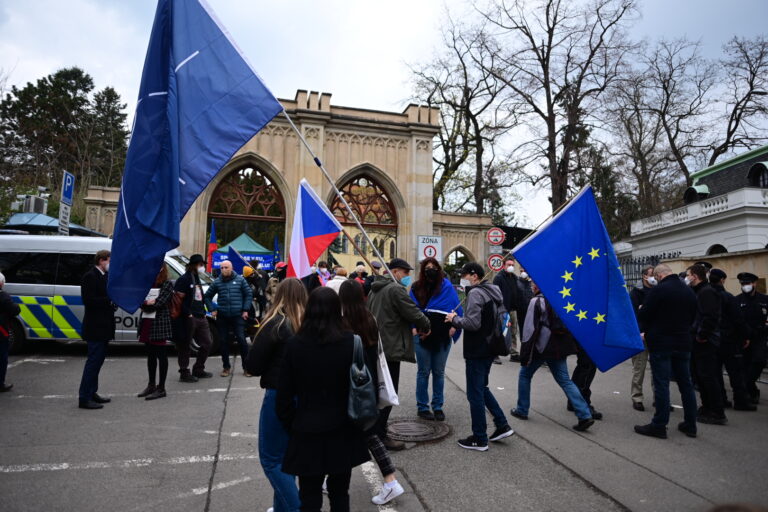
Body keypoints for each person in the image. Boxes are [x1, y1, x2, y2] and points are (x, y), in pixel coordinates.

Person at [276, 287, 371, 512]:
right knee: (340, 492)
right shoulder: (351, 343)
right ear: (337, 311)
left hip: (306, 427)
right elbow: (366, 386)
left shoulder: (294, 345)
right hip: (343, 426)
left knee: (308, 493)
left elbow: (283, 396)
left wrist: (291, 423)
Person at [339, 280, 405, 506]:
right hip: (369, 385)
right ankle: (389, 481)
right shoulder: (369, 318)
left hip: (352, 387)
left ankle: (390, 482)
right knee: (366, 433)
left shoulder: (343, 323)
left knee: (360, 434)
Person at [245, 278, 307, 512]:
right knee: (287, 459)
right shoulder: (309, 324)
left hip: (279, 395)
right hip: (306, 398)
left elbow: (254, 365)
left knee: (272, 460)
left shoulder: (277, 323)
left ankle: (296, 508)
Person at [445, 262, 514, 451]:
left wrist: (454, 320)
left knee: (474, 393)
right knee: (482, 388)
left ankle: (479, 438)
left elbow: (473, 323)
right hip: (491, 346)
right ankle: (501, 424)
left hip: (477, 349)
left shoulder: (476, 293)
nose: (463, 279)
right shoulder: (493, 290)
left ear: (474, 276)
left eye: (465, 275)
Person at [510, 281, 595, 431]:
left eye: (533, 283)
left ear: (537, 285)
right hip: (558, 347)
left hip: (540, 347)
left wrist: (525, 351)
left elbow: (529, 328)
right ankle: (584, 414)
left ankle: (522, 409)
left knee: (524, 375)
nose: (531, 286)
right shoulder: (559, 298)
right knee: (565, 381)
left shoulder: (536, 301)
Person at [368, 258, 431, 451]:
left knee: (378, 392)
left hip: (376, 345)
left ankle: (374, 431)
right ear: (394, 271)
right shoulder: (395, 289)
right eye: (404, 273)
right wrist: (426, 324)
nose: (407, 277)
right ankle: (379, 436)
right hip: (390, 347)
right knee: (388, 393)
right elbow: (412, 312)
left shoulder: (374, 289)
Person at [635, 264, 699, 439]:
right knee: (686, 383)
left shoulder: (659, 290)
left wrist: (642, 311)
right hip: (684, 343)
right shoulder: (688, 291)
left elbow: (645, 315)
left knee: (662, 383)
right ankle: (690, 424)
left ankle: (659, 424)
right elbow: (694, 315)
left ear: (658, 276)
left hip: (662, 342)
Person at [408, 257, 462, 421]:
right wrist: (413, 329)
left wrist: (455, 326)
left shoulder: (447, 287)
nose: (430, 269)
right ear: (423, 270)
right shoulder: (416, 287)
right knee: (423, 372)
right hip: (422, 334)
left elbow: (456, 308)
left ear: (439, 269)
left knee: (438, 372)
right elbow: (410, 309)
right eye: (427, 267)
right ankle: (422, 407)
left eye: (433, 267)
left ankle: (437, 406)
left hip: (443, 336)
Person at [709, 269, 756, 411]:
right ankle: (741, 401)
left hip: (713, 339)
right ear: (722, 280)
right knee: (736, 373)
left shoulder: (706, 295)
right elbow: (738, 319)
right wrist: (747, 335)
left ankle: (721, 399)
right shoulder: (728, 297)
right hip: (730, 340)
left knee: (716, 373)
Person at [687, 264, 727, 425]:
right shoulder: (698, 291)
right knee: (699, 376)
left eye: (688, 274)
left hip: (706, 342)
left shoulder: (707, 292)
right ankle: (706, 406)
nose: (687, 277)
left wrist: (702, 336)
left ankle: (717, 411)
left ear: (695, 276)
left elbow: (710, 317)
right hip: (697, 340)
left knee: (708, 376)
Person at [78, 250, 116, 409]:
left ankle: (92, 392)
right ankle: (84, 398)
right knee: (92, 363)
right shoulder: (90, 276)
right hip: (95, 327)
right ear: (101, 260)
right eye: (109, 260)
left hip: (104, 326)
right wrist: (109, 300)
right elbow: (89, 300)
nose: (110, 263)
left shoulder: (104, 276)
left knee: (98, 362)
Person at [204, 260, 253, 377]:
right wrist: (212, 309)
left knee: (242, 340)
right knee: (223, 341)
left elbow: (248, 294)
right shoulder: (217, 282)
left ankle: (246, 367)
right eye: (221, 268)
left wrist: (245, 309)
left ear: (231, 268)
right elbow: (207, 297)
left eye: (226, 267)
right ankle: (226, 367)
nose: (223, 270)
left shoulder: (240, 280)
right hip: (222, 316)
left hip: (238, 315)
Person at [173, 254, 213, 382]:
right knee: (185, 345)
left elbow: (199, 297)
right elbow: (178, 300)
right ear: (194, 265)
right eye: (201, 265)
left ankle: (198, 369)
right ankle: (184, 372)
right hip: (189, 317)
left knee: (207, 343)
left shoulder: (197, 278)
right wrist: (188, 314)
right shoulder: (184, 279)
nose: (202, 268)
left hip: (201, 316)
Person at [137, 265, 174, 400]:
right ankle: (151, 385)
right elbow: (140, 300)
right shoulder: (147, 282)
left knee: (161, 355)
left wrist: (148, 304)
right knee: (150, 355)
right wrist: (147, 303)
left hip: (159, 323)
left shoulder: (167, 283)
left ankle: (161, 387)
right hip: (147, 322)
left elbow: (160, 302)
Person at [736, 272, 767, 405]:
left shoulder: (764, 300)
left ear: (754, 283)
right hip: (744, 338)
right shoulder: (737, 300)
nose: (745, 286)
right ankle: (751, 391)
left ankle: (750, 386)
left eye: (747, 283)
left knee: (759, 361)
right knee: (744, 366)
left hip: (760, 336)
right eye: (743, 284)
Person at [629, 266, 656, 411]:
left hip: (656, 334)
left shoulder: (658, 291)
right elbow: (632, 314)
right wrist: (639, 331)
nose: (655, 278)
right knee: (639, 368)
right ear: (644, 276)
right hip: (641, 336)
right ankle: (637, 397)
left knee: (657, 368)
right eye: (652, 275)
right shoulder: (636, 293)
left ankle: (659, 397)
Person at [493, 258, 522, 362]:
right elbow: (495, 294)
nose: (511, 267)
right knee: (500, 330)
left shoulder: (515, 278)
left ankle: (513, 352)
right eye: (509, 264)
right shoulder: (499, 278)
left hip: (513, 309)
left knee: (513, 331)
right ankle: (495, 353)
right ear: (504, 265)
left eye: (513, 265)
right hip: (502, 309)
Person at [0, 272, 20, 392]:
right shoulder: (3, 296)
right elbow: (15, 310)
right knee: (2, 358)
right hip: (1, 332)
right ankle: (0, 383)